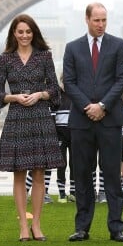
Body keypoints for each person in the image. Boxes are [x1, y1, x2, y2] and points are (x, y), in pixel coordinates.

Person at [0, 14, 65, 242]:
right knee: (19, 175)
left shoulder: (45, 56)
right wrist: (13, 97)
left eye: (28, 32)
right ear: (14, 33)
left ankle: (37, 225)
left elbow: (55, 90)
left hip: (40, 116)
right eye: (20, 31)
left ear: (34, 33)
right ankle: (23, 225)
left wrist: (40, 94)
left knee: (39, 174)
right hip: (17, 118)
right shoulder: (5, 59)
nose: (24, 35)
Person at [63, 2, 123, 242]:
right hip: (81, 121)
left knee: (112, 175)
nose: (101, 25)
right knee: (82, 175)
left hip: (110, 118)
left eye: (104, 20)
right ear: (87, 19)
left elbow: (122, 79)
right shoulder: (72, 48)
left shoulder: (119, 45)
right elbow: (69, 82)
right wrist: (87, 107)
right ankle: (82, 227)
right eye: (96, 20)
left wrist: (102, 106)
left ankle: (116, 228)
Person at [52, 74, 75, 203]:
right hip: (60, 135)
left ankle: (72, 191)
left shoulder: (77, 97)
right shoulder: (57, 97)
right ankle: (61, 192)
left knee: (74, 163)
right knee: (61, 164)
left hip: (74, 134)